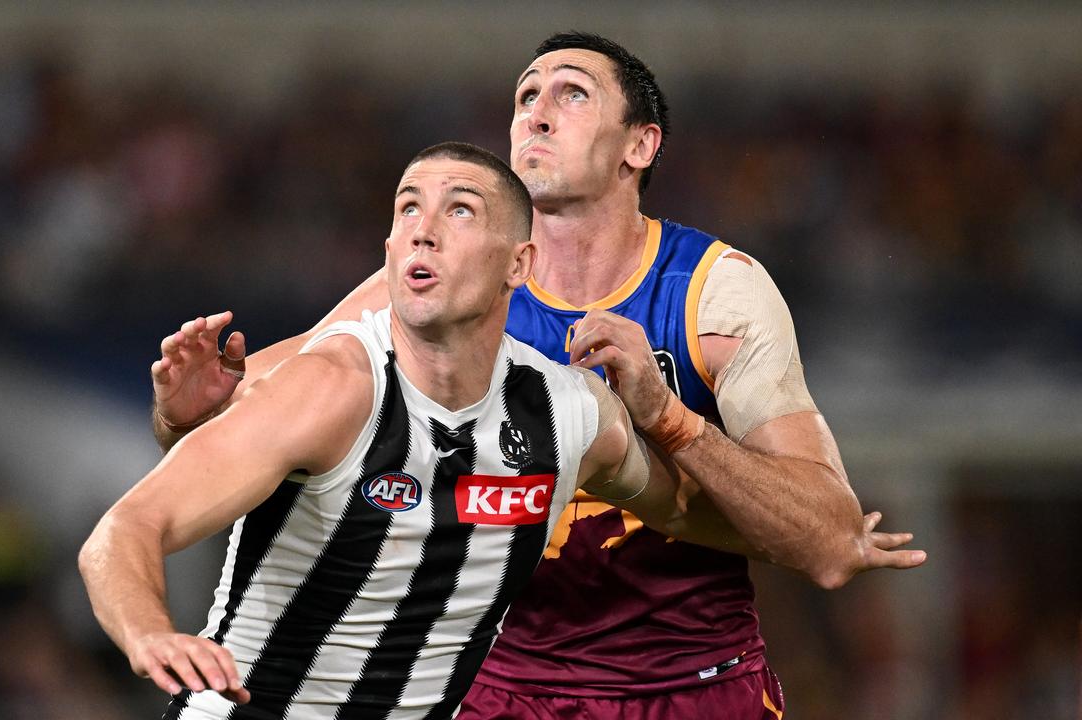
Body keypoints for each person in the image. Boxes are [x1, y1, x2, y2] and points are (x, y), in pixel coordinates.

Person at [147, 34, 926, 718]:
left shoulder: (714, 296)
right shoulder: (437, 283)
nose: (536, 113)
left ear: (640, 145)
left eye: (571, 93)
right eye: (525, 97)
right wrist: (181, 413)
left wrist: (669, 417)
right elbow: (234, 417)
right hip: (491, 686)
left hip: (690, 683)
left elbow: (829, 543)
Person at [81, 142, 739, 719]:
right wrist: (150, 634)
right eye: (407, 209)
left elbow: (695, 513)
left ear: (519, 264)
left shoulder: (569, 413)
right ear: (390, 251)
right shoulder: (330, 389)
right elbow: (126, 528)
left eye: (460, 211)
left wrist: (674, 421)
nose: (424, 231)